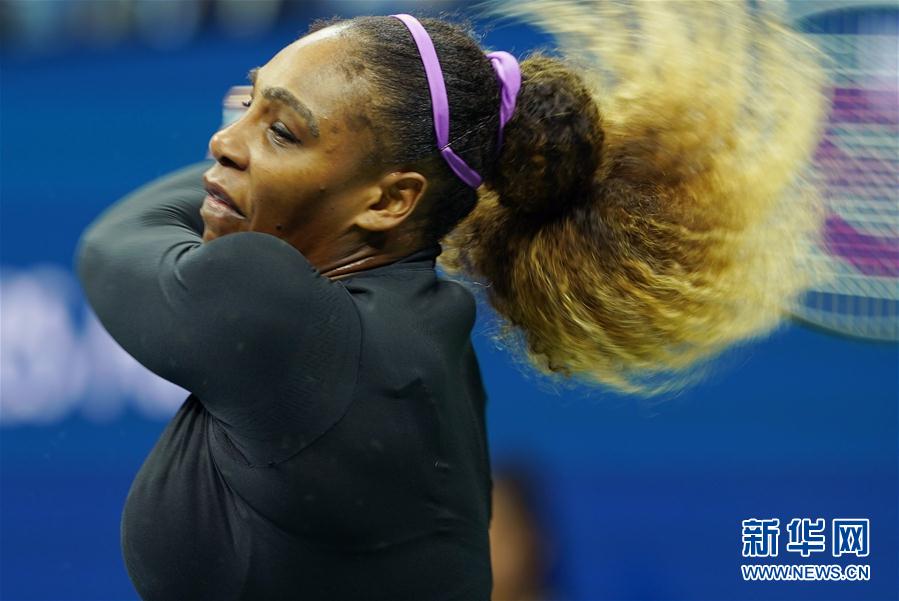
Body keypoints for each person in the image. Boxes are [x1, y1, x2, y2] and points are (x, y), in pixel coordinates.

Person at [75, 2, 828, 599]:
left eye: (282, 130)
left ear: (389, 200)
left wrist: (247, 159)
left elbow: (112, 245)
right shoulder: (417, 323)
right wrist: (276, 137)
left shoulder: (278, 316)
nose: (223, 141)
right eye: (245, 100)